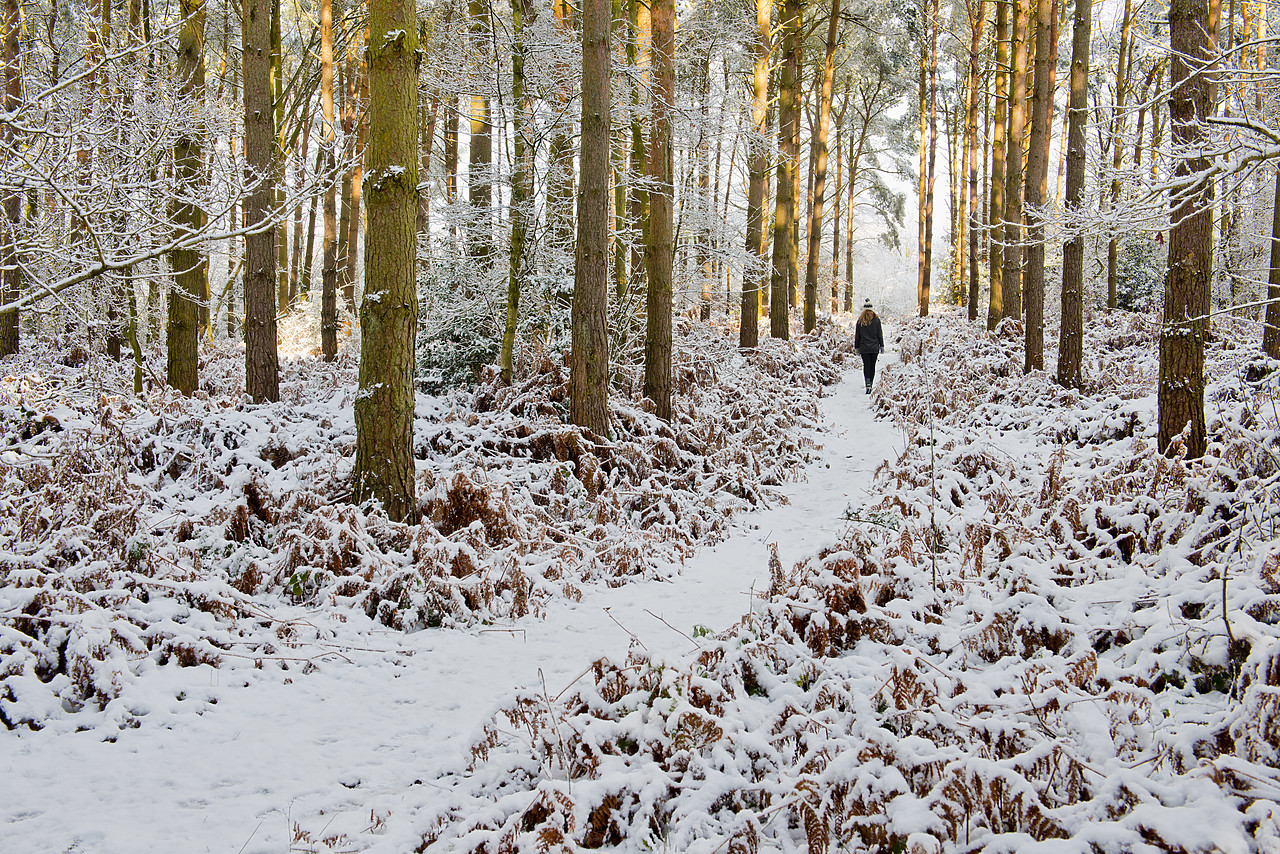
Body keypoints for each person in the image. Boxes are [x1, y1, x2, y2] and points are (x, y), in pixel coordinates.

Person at [854, 299, 883, 394]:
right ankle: (871, 382)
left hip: (864, 347)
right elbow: (880, 334)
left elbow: (857, 336)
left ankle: (867, 384)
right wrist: (881, 345)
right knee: (872, 366)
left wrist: (857, 347)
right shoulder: (877, 320)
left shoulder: (860, 321)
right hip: (874, 347)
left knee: (866, 365)